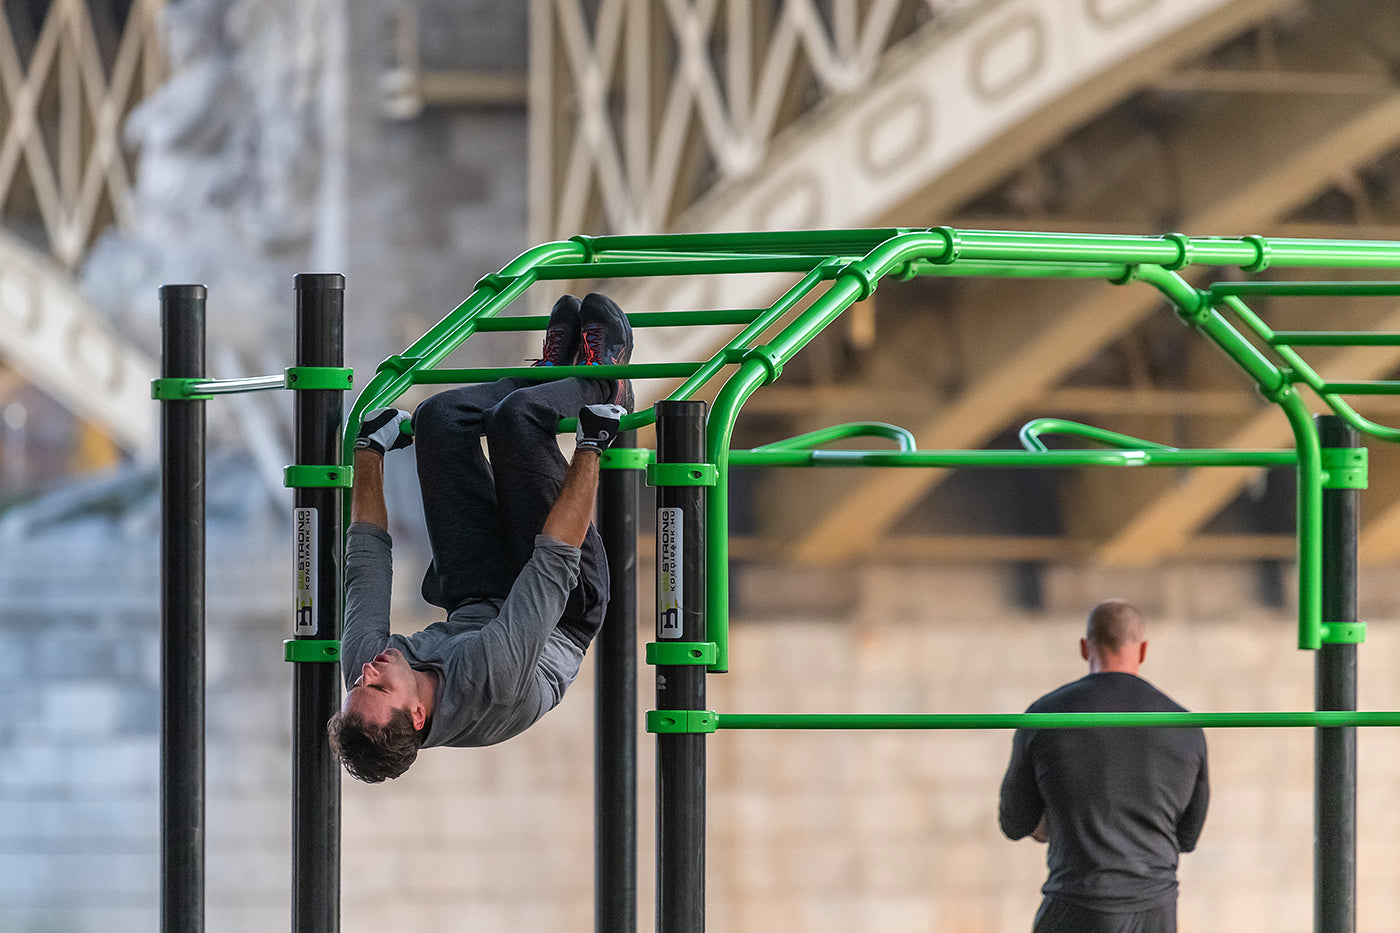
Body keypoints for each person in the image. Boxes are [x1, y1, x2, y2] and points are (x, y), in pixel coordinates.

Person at [328, 292, 633, 783]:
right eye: (380, 688)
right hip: (563, 606)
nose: (368, 673)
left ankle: (549, 376)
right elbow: (553, 565)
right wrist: (591, 445)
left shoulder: (367, 674)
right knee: (517, 423)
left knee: (438, 420)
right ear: (419, 715)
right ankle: (604, 382)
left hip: (480, 597)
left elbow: (365, 561)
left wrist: (369, 448)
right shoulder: (491, 682)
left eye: (358, 685)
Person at [998, 599, 1210, 933]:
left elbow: (1014, 822)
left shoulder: (1045, 715)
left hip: (1074, 905)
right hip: (1154, 913)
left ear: (1085, 648)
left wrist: (1056, 819)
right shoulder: (1184, 724)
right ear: (1143, 651)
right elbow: (1187, 836)